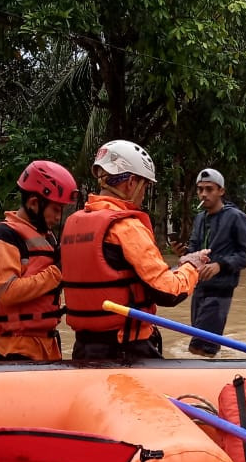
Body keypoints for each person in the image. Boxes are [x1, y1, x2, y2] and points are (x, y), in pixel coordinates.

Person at [61, 140, 210, 361]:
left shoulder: (73, 224)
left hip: (83, 349)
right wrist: (192, 265)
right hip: (127, 349)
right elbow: (168, 292)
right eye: (145, 186)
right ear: (131, 183)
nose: (143, 194)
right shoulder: (127, 227)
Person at [0, 160, 77, 362]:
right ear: (34, 203)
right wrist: (57, 272)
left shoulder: (46, 236)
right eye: (56, 210)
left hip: (45, 346)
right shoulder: (3, 236)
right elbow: (8, 292)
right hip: (15, 349)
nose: (59, 217)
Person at [174, 168, 246, 357]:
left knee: (200, 347)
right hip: (199, 288)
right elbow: (195, 249)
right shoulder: (200, 218)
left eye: (209, 189)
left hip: (220, 291)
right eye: (200, 189)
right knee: (203, 345)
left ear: (221, 191)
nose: (204, 194)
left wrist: (220, 265)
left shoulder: (235, 217)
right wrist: (184, 253)